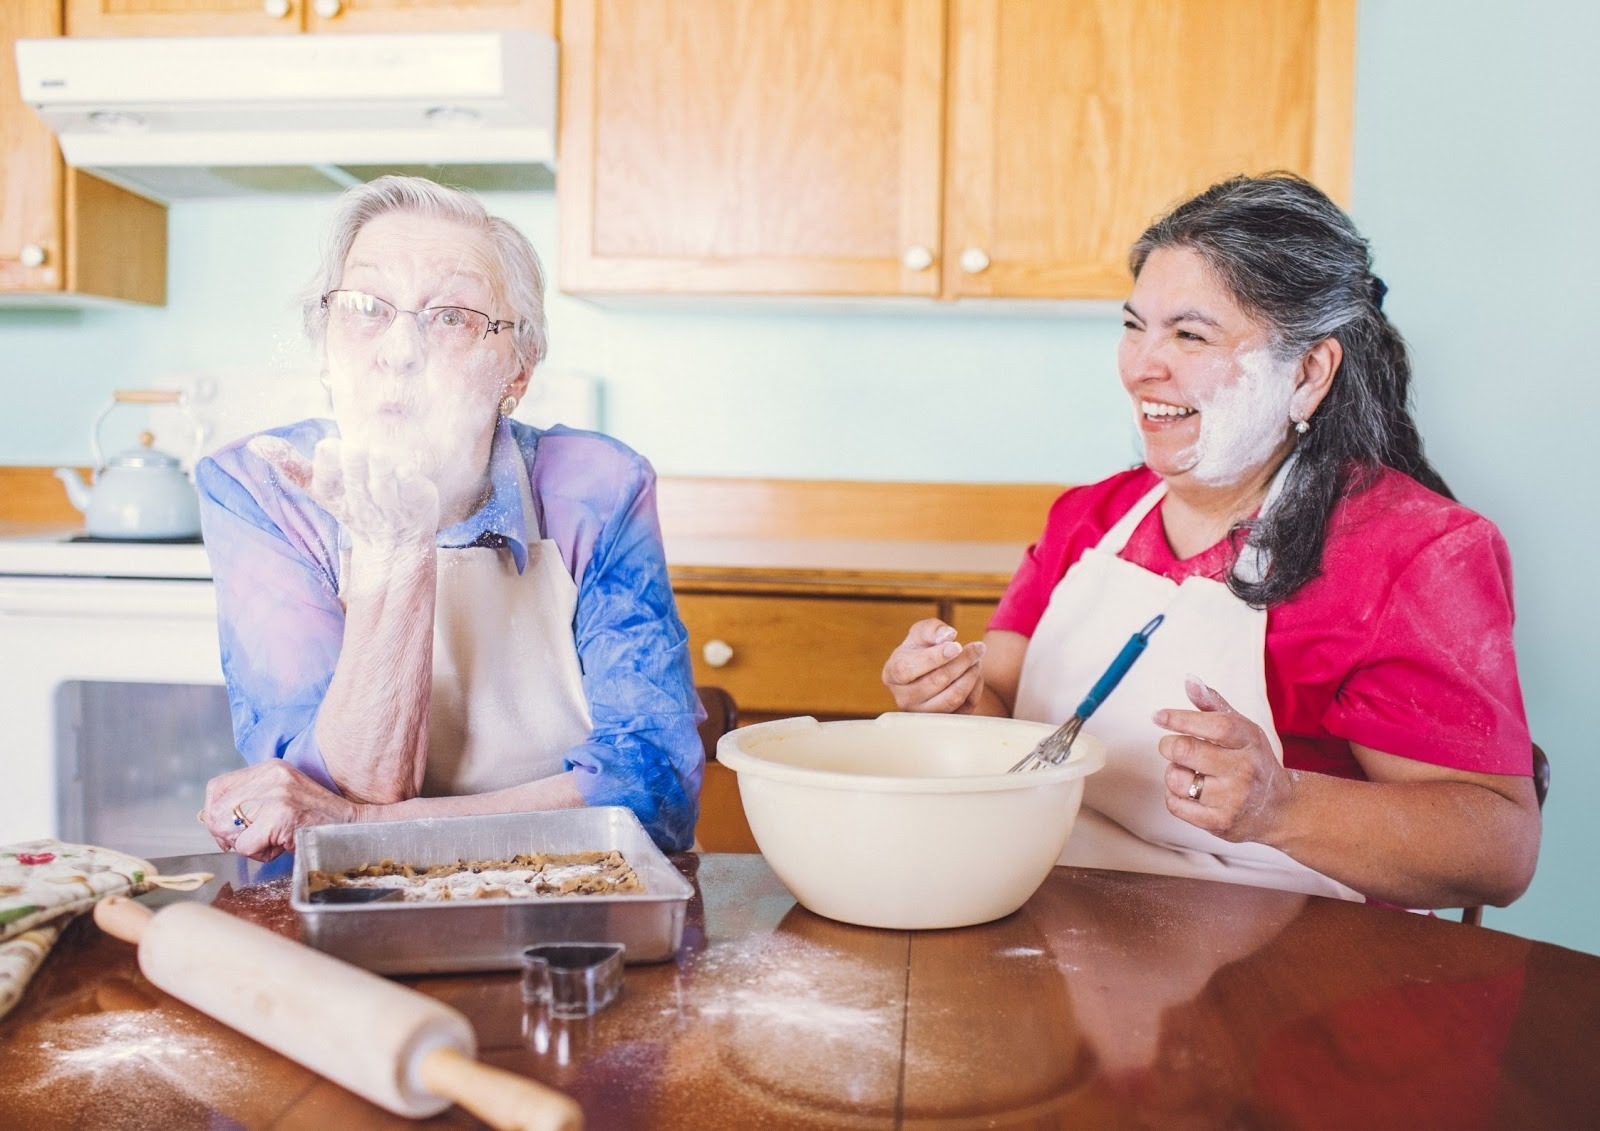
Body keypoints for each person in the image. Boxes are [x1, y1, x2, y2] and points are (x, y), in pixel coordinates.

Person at [883, 173, 1539, 910]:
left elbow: (1498, 847)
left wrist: (1281, 805)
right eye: (1135, 326)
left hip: (1291, 973)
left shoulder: (1414, 553)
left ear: (1309, 372)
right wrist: (950, 699)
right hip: (1052, 920)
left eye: (1189, 334)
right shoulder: (1090, 518)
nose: (1142, 366)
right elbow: (999, 709)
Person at [194, 175, 702, 860]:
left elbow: (653, 791)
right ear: (326, 348)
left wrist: (357, 827)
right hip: (328, 917)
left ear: (516, 369)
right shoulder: (263, 488)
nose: (398, 351)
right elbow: (314, 793)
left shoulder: (598, 489)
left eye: (451, 316)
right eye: (366, 307)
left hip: (565, 898)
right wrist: (393, 550)